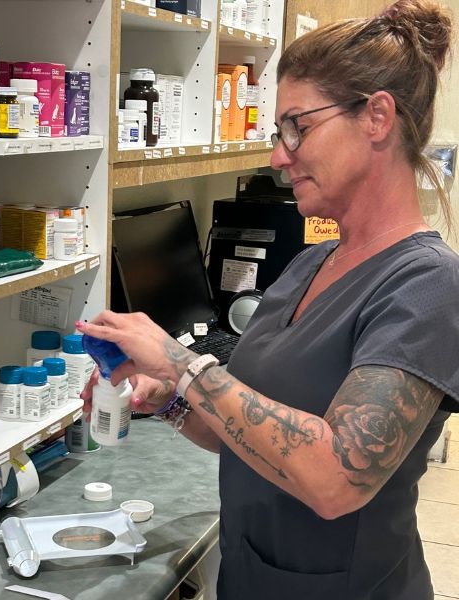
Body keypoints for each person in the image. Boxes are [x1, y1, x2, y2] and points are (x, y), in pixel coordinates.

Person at [78, 1, 459, 598]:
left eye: (297, 127)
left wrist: (181, 364)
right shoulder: (311, 263)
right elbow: (254, 428)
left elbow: (339, 475)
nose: (280, 155)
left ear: (377, 117)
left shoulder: (428, 283)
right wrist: (170, 401)